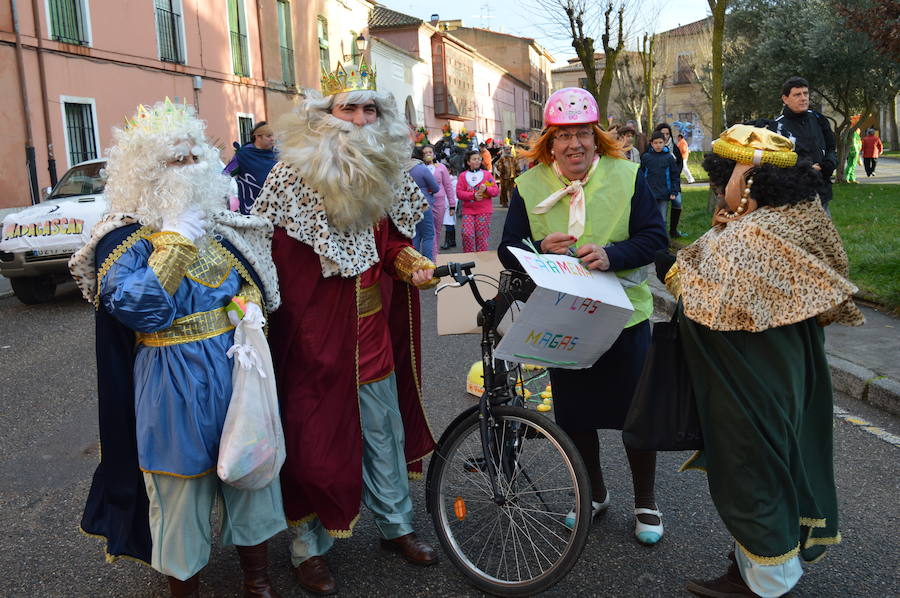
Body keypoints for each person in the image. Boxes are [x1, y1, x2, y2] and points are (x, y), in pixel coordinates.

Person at [68, 99, 285, 598]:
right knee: (179, 488)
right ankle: (184, 588)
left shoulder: (222, 226)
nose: (188, 169)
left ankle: (259, 580)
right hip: (170, 377)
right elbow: (137, 308)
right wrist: (174, 243)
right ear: (144, 171)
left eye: (193, 158)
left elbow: (248, 282)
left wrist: (247, 309)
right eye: (174, 160)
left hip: (234, 367)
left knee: (250, 469)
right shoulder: (124, 236)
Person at [251, 70, 439, 595]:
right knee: (312, 442)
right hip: (312, 338)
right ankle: (307, 548)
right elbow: (272, 262)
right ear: (323, 114)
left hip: (372, 330)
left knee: (384, 433)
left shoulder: (388, 173)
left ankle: (396, 526)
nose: (359, 121)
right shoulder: (289, 178)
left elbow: (388, 245)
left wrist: (412, 265)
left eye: (369, 111)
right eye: (348, 110)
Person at [665, 125, 863, 598]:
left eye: (725, 179)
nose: (719, 190)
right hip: (785, 370)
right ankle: (750, 567)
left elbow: (696, 287)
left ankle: (765, 582)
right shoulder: (797, 217)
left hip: (752, 382)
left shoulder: (750, 241)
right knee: (775, 461)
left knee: (753, 466)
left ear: (750, 176)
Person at [498, 87, 668, 545]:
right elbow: (508, 249)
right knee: (577, 415)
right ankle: (593, 492)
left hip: (625, 318)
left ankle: (646, 501)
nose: (574, 144)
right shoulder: (530, 184)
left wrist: (613, 254)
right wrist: (536, 249)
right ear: (549, 143)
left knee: (636, 414)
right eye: (563, 136)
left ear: (597, 138)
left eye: (583, 134)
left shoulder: (628, 175)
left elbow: (654, 238)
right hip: (564, 319)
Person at [761, 77, 837, 212]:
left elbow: (831, 148)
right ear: (785, 99)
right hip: (792, 198)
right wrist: (805, 168)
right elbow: (775, 161)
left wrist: (828, 164)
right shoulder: (777, 127)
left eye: (806, 93)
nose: (803, 98)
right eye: (797, 94)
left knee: (823, 233)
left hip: (822, 194)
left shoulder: (818, 119)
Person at [223, 121, 278, 214]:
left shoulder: (278, 154)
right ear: (258, 137)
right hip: (252, 210)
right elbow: (225, 175)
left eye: (273, 136)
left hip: (276, 208)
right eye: (268, 136)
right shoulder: (243, 156)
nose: (272, 139)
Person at [641, 131, 683, 238]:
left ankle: (663, 241)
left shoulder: (669, 158)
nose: (658, 145)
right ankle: (651, 239)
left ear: (664, 143)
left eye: (660, 142)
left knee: (662, 219)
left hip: (664, 193)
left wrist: (674, 191)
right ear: (651, 144)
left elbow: (674, 176)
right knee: (650, 218)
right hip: (649, 194)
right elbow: (641, 174)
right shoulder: (646, 157)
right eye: (655, 143)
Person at [456, 149, 500, 252]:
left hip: (484, 211)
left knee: (482, 238)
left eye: (479, 159)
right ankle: (469, 259)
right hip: (468, 211)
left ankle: (482, 261)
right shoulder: (463, 176)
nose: (477, 161)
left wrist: (486, 189)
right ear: (468, 162)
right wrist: (473, 195)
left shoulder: (487, 175)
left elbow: (495, 191)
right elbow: (459, 193)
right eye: (474, 159)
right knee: (467, 234)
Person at [420, 144, 455, 256]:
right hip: (423, 203)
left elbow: (448, 186)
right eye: (425, 153)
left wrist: (452, 204)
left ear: (434, 154)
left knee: (437, 230)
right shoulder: (420, 168)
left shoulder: (441, 167)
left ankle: (434, 254)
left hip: (439, 202)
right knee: (429, 231)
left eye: (430, 152)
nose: (428, 154)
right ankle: (431, 255)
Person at [407, 151, 440, 261]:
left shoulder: (402, 168)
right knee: (428, 235)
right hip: (423, 203)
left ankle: (413, 262)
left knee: (415, 235)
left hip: (408, 205)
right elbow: (435, 187)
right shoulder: (421, 168)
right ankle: (428, 262)